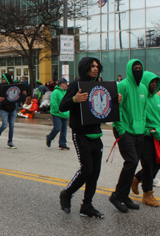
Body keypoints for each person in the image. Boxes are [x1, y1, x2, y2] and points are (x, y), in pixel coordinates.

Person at [59, 57, 112, 218]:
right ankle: (67, 193)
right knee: (87, 169)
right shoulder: (76, 85)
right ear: (85, 68)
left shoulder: (99, 85)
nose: (96, 69)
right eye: (92, 66)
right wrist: (75, 99)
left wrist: (116, 101)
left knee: (95, 172)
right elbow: (62, 105)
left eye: (97, 66)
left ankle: (87, 205)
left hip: (96, 133)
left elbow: (105, 107)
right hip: (80, 133)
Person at [110, 59, 147, 213]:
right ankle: (117, 195)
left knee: (133, 162)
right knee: (131, 161)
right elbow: (116, 109)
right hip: (124, 130)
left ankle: (124, 196)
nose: (138, 70)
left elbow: (144, 110)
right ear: (129, 70)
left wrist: (143, 126)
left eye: (140, 68)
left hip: (139, 131)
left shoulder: (143, 88)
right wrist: (121, 129)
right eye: (135, 68)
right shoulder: (122, 86)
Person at [131, 72, 160, 207]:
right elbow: (138, 117)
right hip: (146, 137)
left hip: (159, 137)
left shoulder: (159, 99)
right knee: (148, 165)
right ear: (146, 82)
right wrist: (149, 131)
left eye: (156, 82)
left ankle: (137, 178)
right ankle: (147, 194)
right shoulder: (141, 99)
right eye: (151, 82)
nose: (154, 84)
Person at [0, 73, 25, 149]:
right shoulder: (1, 86)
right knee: (4, 125)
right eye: (3, 79)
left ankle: (10, 142)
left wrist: (23, 93)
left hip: (12, 108)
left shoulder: (14, 85)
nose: (4, 81)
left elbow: (20, 93)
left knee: (12, 126)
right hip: (4, 109)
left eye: (5, 79)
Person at [46, 78, 70, 150]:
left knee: (64, 130)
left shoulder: (66, 92)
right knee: (57, 128)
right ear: (62, 84)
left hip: (65, 113)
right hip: (57, 113)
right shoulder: (55, 92)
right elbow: (53, 103)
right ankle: (49, 137)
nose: (67, 85)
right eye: (66, 83)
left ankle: (62, 143)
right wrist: (58, 110)